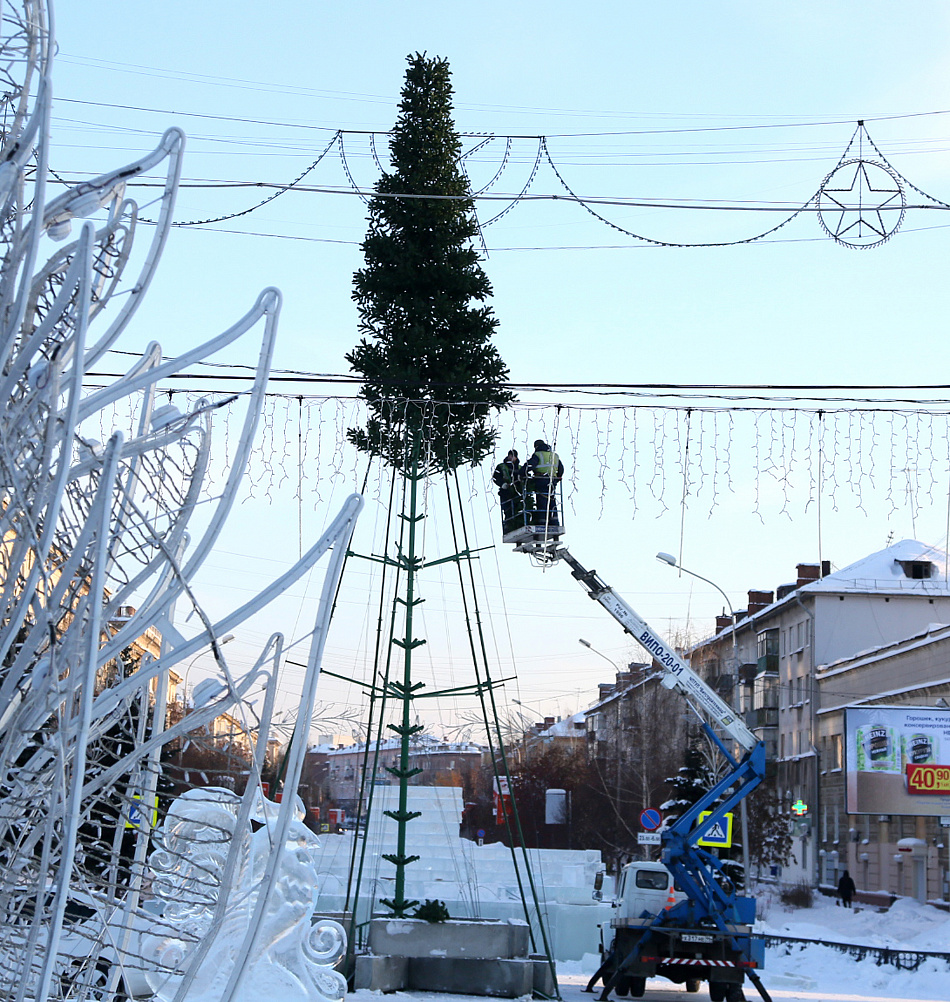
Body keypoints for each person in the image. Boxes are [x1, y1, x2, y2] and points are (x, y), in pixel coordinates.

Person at [525, 439, 564, 528]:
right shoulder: (554, 455)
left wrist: (522, 473)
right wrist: (557, 479)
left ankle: (542, 522)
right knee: (552, 500)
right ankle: (554, 522)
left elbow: (530, 465)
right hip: (552, 481)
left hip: (541, 479)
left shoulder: (538, 455)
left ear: (536, 447)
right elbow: (561, 468)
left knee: (542, 500)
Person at [492, 449, 523, 533]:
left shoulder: (520, 468)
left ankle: (518, 524)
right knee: (508, 510)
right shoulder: (501, 466)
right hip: (506, 493)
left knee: (518, 509)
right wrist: (502, 484)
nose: (511, 458)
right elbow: (495, 477)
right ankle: (508, 526)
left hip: (518, 493)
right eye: (510, 455)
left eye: (513, 456)